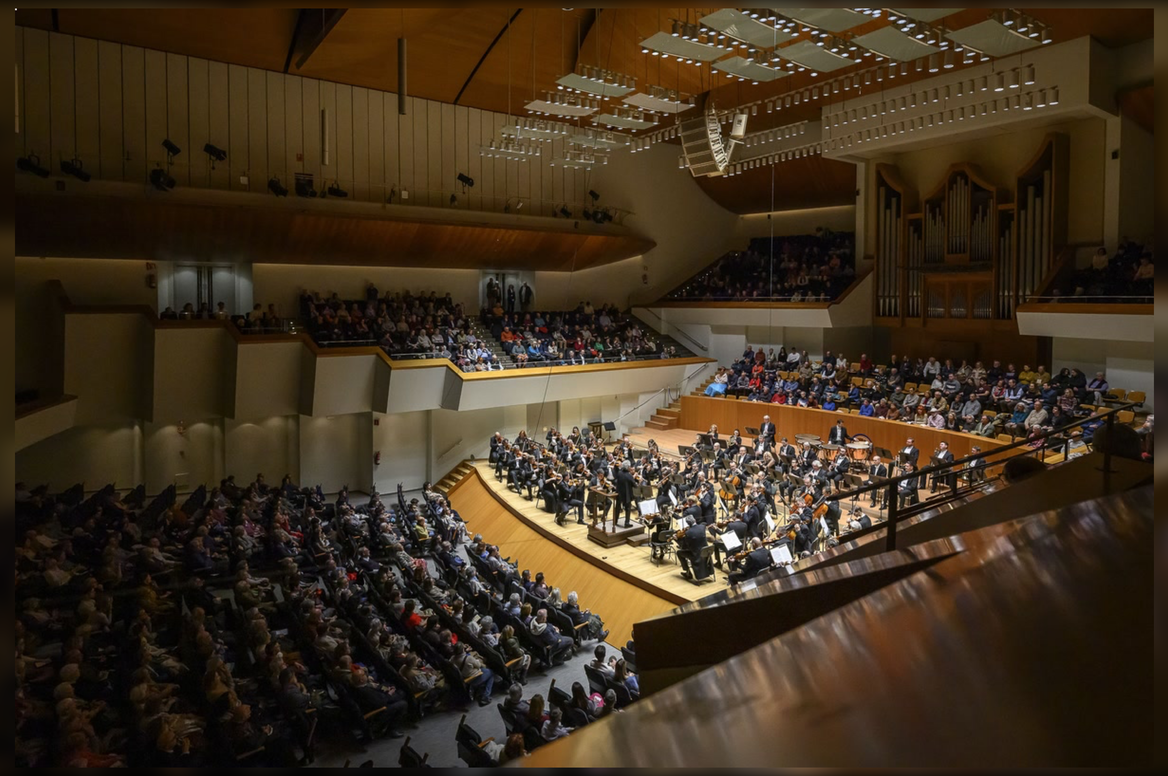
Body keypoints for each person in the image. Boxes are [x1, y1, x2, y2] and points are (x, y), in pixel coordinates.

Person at [676, 516, 710, 581]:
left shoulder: (688, 533)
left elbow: (684, 547)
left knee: (679, 552)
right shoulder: (702, 527)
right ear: (694, 520)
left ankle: (688, 572)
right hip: (706, 552)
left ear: (688, 523)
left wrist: (678, 539)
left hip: (696, 555)